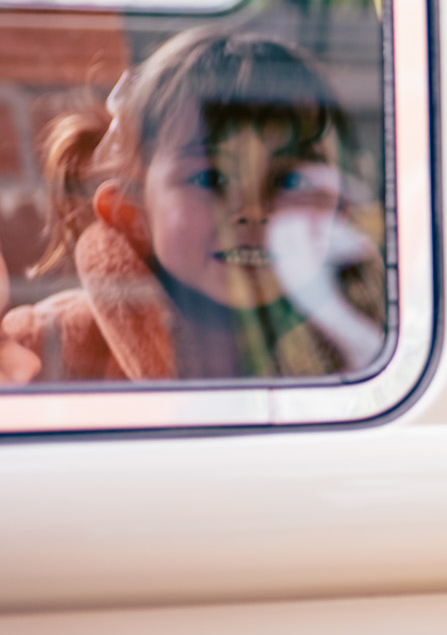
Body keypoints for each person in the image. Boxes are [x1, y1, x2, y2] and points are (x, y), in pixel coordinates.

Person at [0, 28, 384, 383]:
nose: (252, 210)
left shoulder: (385, 341)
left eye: (288, 181)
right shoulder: (49, 345)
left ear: (340, 209)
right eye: (211, 179)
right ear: (132, 214)